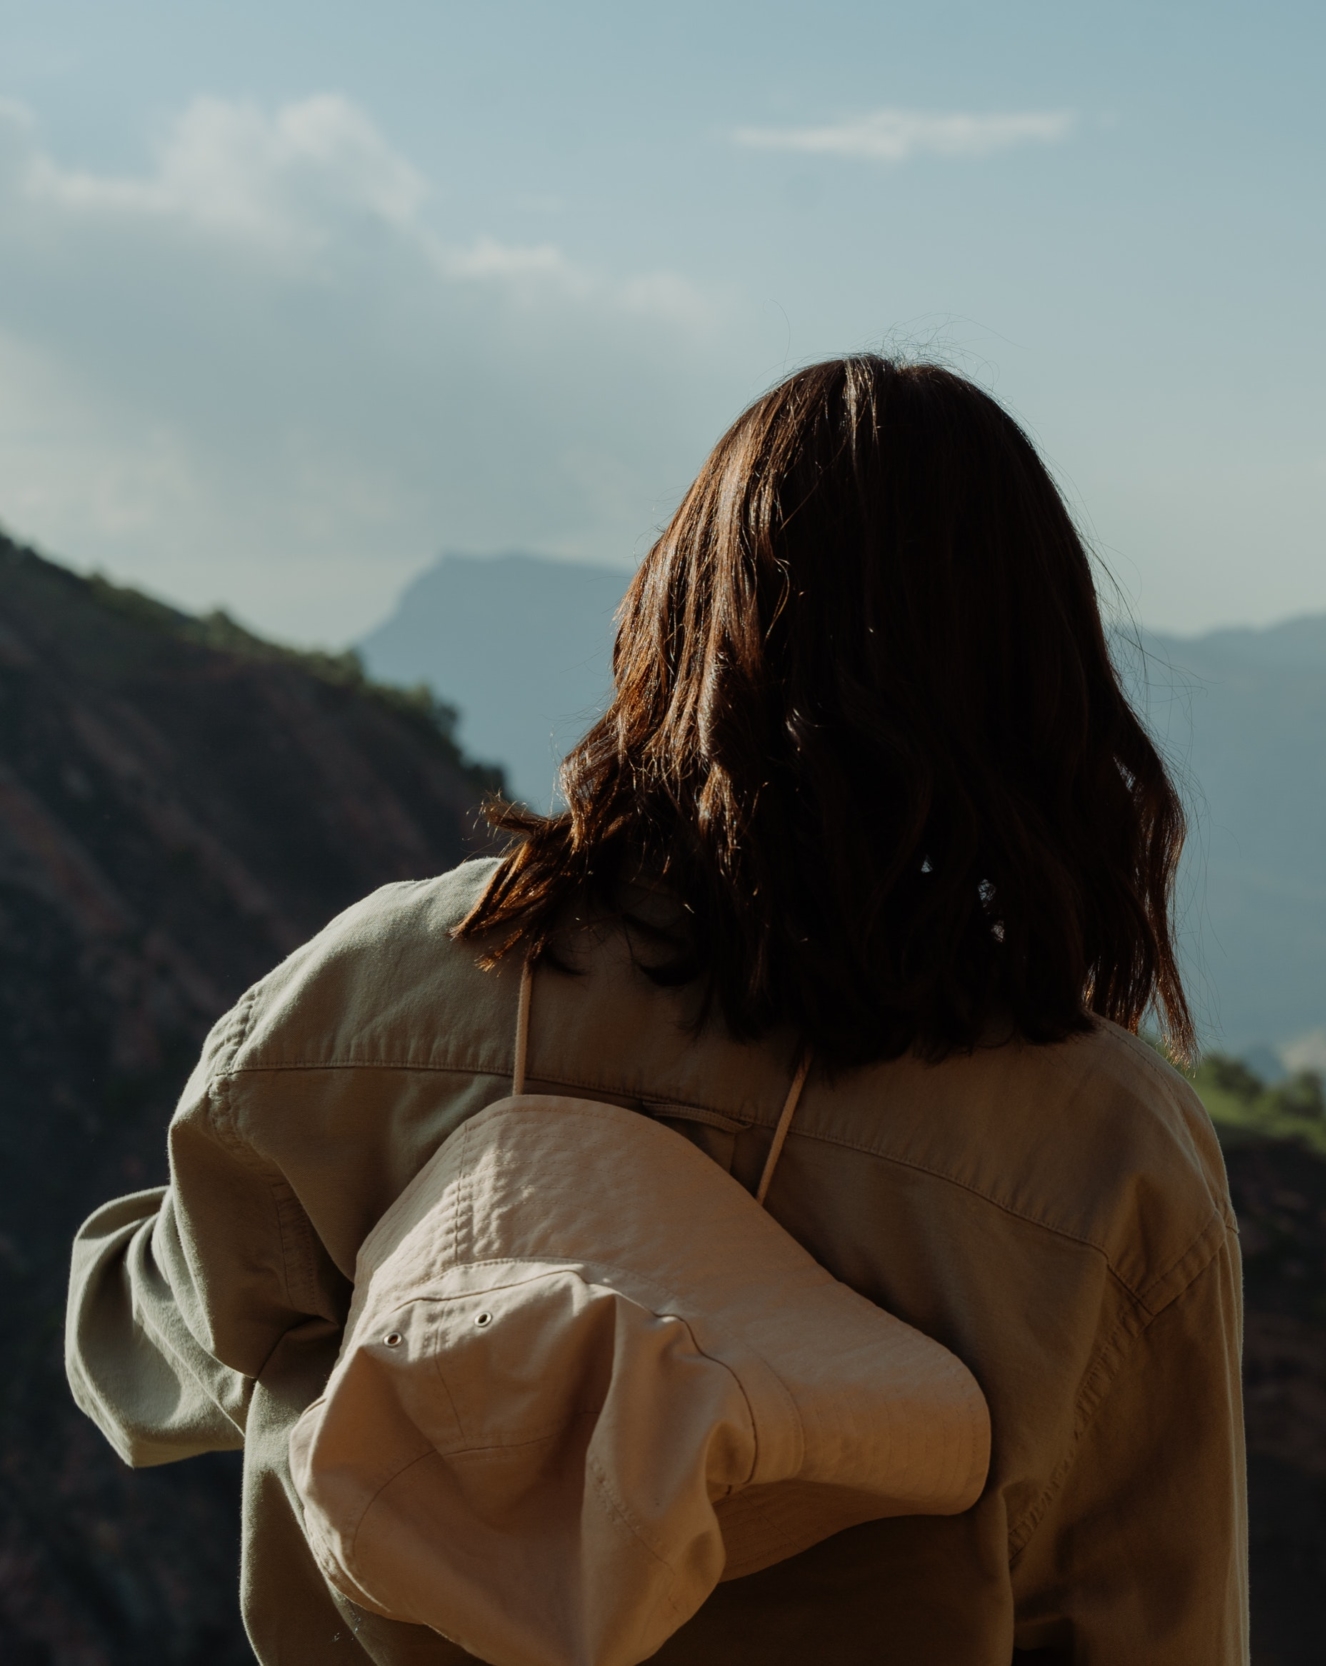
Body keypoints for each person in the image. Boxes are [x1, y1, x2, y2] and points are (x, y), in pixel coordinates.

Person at [64, 357, 1248, 1665]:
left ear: (677, 618)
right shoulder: (1105, 1150)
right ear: (1042, 687)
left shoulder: (372, 995)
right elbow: (1159, 1625)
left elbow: (137, 1355)